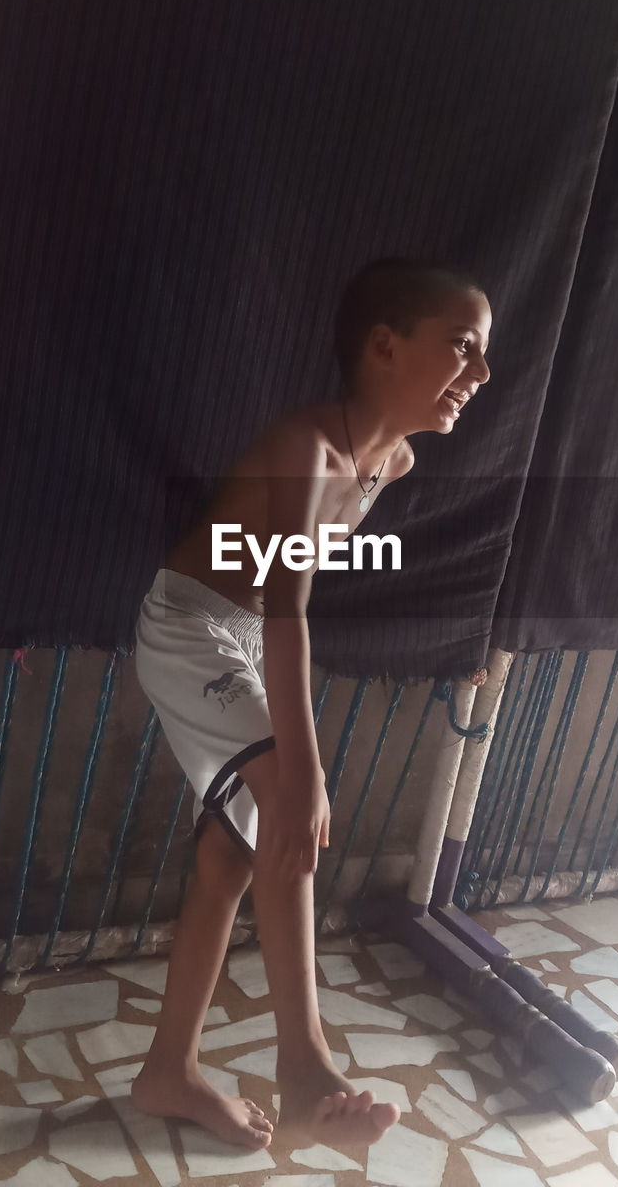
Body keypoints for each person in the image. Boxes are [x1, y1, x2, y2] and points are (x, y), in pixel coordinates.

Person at [131, 257, 492, 1150]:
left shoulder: (393, 460)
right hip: (190, 633)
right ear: (383, 346)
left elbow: (287, 602)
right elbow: (286, 606)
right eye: (462, 348)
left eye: (485, 357)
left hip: (245, 640)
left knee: (230, 858)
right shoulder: (305, 451)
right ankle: (305, 1065)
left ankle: (167, 1072)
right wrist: (306, 764)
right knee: (293, 800)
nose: (481, 375)